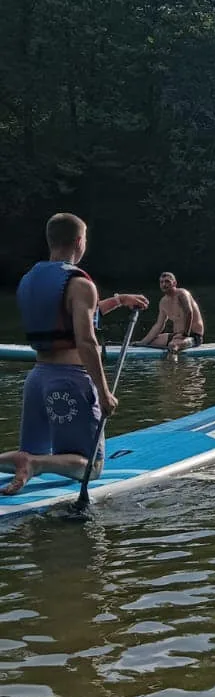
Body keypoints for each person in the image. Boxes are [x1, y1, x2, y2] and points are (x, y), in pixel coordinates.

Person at [0, 213, 148, 497]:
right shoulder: (81, 285)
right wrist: (104, 394)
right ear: (79, 241)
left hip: (37, 380)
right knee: (91, 466)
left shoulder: (29, 280)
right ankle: (32, 463)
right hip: (70, 381)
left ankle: (27, 459)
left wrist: (118, 301)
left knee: (31, 449)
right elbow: (85, 339)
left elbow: (67, 318)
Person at [139, 271, 206, 352]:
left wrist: (184, 335)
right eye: (162, 282)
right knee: (150, 342)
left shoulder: (182, 294)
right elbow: (159, 325)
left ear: (174, 283)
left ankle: (175, 364)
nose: (164, 284)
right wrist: (142, 342)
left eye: (167, 281)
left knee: (172, 345)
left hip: (192, 336)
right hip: (176, 335)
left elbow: (189, 312)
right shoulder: (163, 302)